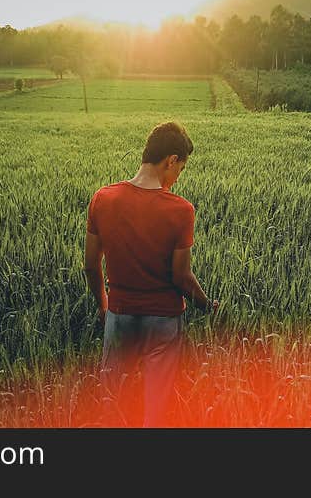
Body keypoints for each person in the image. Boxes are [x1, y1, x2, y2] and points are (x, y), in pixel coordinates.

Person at [84, 121, 219, 427]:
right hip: (163, 321)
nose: (177, 178)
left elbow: (91, 265)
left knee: (111, 403)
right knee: (156, 411)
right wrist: (206, 305)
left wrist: (103, 306)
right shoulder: (180, 210)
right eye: (180, 169)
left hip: (119, 314)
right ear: (171, 160)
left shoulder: (103, 199)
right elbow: (181, 277)